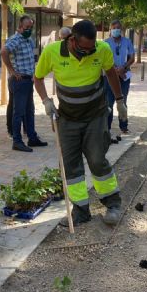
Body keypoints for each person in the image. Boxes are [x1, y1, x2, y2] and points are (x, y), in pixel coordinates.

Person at [34, 20, 126, 226]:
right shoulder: (52, 52)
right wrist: (46, 101)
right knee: (70, 165)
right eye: (84, 48)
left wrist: (120, 101)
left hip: (96, 115)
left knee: (96, 158)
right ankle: (81, 210)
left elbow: (111, 72)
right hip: (67, 118)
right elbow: (38, 78)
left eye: (91, 48)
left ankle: (112, 203)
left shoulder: (101, 49)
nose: (89, 52)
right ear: (73, 40)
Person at [1, 15, 47, 152]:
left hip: (28, 80)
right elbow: (4, 51)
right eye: (27, 27)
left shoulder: (29, 40)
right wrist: (11, 70)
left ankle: (32, 138)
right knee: (19, 112)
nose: (29, 30)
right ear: (20, 27)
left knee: (29, 111)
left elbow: (30, 59)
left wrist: (34, 74)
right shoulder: (16, 39)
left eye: (31, 27)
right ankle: (17, 141)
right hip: (19, 81)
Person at [104, 20, 134, 138]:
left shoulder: (127, 42)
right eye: (114, 27)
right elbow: (104, 59)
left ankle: (124, 126)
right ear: (110, 30)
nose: (116, 29)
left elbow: (132, 57)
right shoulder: (105, 43)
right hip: (109, 77)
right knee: (108, 103)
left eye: (118, 28)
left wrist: (124, 67)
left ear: (121, 30)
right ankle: (107, 128)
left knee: (123, 102)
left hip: (124, 76)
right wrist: (115, 69)